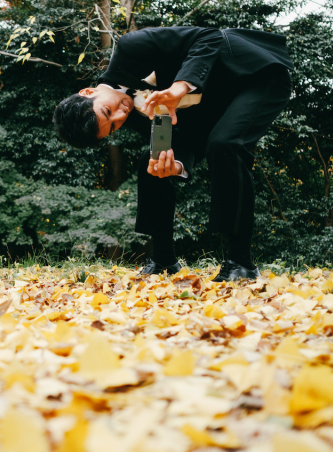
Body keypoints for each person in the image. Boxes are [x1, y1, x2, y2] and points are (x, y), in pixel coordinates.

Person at [52, 26, 293, 282]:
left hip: (255, 74)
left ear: (88, 92)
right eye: (113, 126)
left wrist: (180, 87)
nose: (121, 115)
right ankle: (163, 260)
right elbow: (185, 139)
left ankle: (240, 263)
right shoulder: (131, 116)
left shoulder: (131, 46)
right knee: (151, 161)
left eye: (108, 112)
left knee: (226, 144)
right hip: (217, 110)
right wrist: (175, 165)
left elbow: (209, 36)